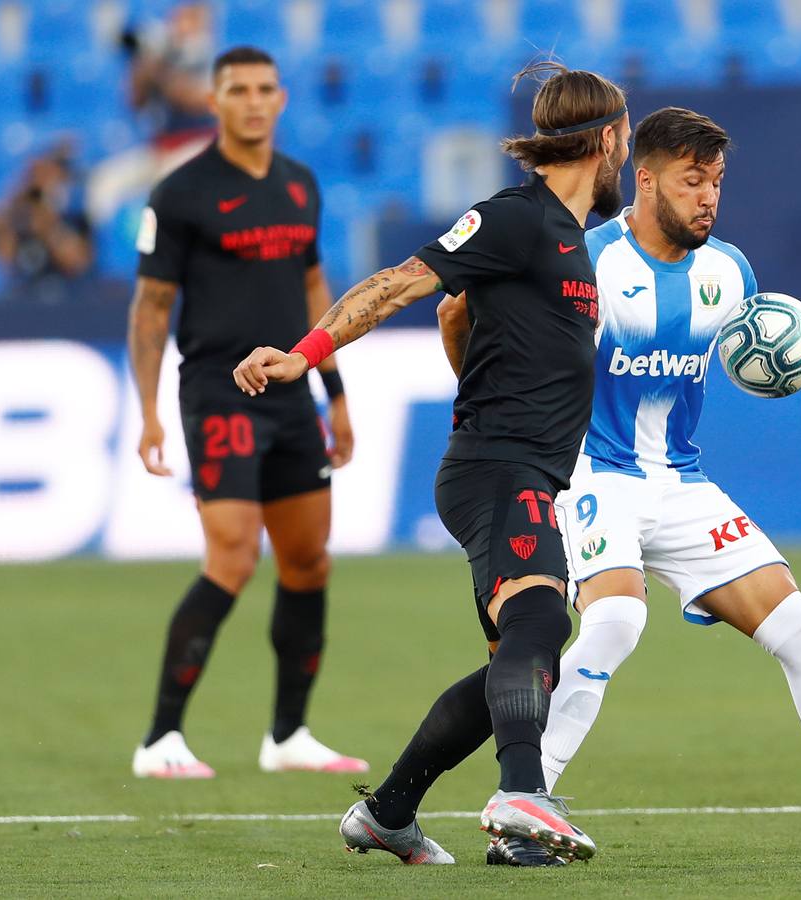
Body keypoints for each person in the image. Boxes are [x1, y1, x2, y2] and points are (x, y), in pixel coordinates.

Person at [439, 106, 801, 858]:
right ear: (646, 177)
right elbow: (471, 324)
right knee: (613, 623)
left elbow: (777, 367)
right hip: (591, 473)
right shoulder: (586, 258)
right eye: (692, 181)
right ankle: (520, 815)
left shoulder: (728, 271)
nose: (708, 198)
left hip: (680, 483)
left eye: (717, 183)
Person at [232, 62, 631, 867]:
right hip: (498, 468)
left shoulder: (565, 239)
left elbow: (457, 311)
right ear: (610, 138)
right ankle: (522, 793)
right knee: (542, 622)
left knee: (515, 664)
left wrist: (483, 381)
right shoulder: (518, 219)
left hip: (515, 466)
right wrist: (304, 356)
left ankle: (387, 812)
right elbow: (401, 284)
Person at [129, 46, 362, 778]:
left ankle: (288, 735)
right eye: (238, 90)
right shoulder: (181, 193)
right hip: (218, 392)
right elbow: (151, 307)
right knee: (231, 557)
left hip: (293, 394)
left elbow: (316, 290)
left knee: (307, 561)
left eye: (265, 89)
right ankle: (159, 739)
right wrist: (148, 412)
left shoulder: (300, 186)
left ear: (282, 99)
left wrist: (337, 394)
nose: (254, 102)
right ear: (215, 100)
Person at [87, 1, 216, 226]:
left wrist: (160, 70)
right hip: (160, 147)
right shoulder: (164, 55)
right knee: (103, 183)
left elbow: (194, 99)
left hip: (199, 146)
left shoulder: (208, 57)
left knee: (166, 185)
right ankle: (109, 252)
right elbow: (134, 103)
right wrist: (141, 66)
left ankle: (166, 254)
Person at [0, 141, 93, 299]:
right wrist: (15, 210)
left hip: (68, 299)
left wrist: (48, 227)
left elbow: (77, 263)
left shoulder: (74, 212)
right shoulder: (18, 213)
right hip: (20, 299)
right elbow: (3, 263)